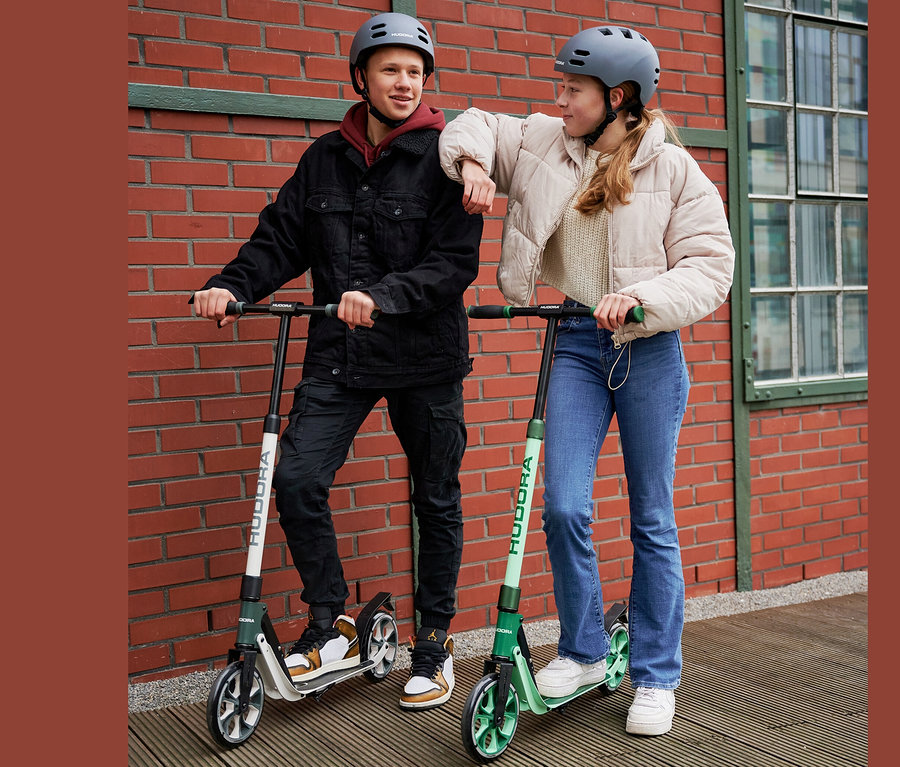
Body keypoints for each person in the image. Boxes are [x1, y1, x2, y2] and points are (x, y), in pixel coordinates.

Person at [438, 25, 734, 735]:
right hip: (573, 341)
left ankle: (656, 675)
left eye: (572, 89)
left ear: (618, 97)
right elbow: (474, 123)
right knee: (564, 507)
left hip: (646, 348)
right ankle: (582, 649)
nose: (559, 98)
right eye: (561, 86)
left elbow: (710, 264)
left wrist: (644, 298)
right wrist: (474, 164)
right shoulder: (544, 140)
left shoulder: (673, 170)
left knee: (650, 518)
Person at [192, 12, 483, 711]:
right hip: (342, 355)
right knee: (295, 477)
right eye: (391, 70)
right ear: (361, 78)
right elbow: (281, 238)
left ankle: (435, 643)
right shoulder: (325, 157)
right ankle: (331, 622)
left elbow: (454, 265)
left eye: (416, 72)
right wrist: (233, 285)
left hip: (424, 357)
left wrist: (381, 295)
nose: (405, 82)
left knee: (435, 497)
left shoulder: (448, 157)